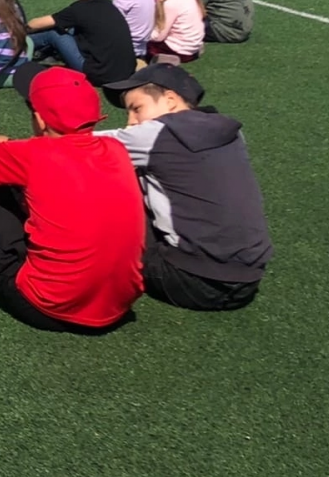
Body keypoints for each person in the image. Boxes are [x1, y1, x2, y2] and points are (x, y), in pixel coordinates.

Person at [0, 65, 144, 332]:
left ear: (40, 120)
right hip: (117, 306)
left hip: (46, 306)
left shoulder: (33, 154)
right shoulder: (116, 149)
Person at [98, 64, 272, 311]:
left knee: (111, 179)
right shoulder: (230, 132)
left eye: (137, 109)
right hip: (249, 279)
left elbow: (75, 146)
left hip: (187, 279)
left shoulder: (157, 133)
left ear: (170, 100)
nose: (130, 123)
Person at [26, 0, 136, 89]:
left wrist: (21, 29)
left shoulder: (79, 10)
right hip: (125, 72)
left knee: (53, 33)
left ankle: (15, 46)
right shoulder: (110, 6)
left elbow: (35, 24)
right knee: (72, 29)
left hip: (98, 75)